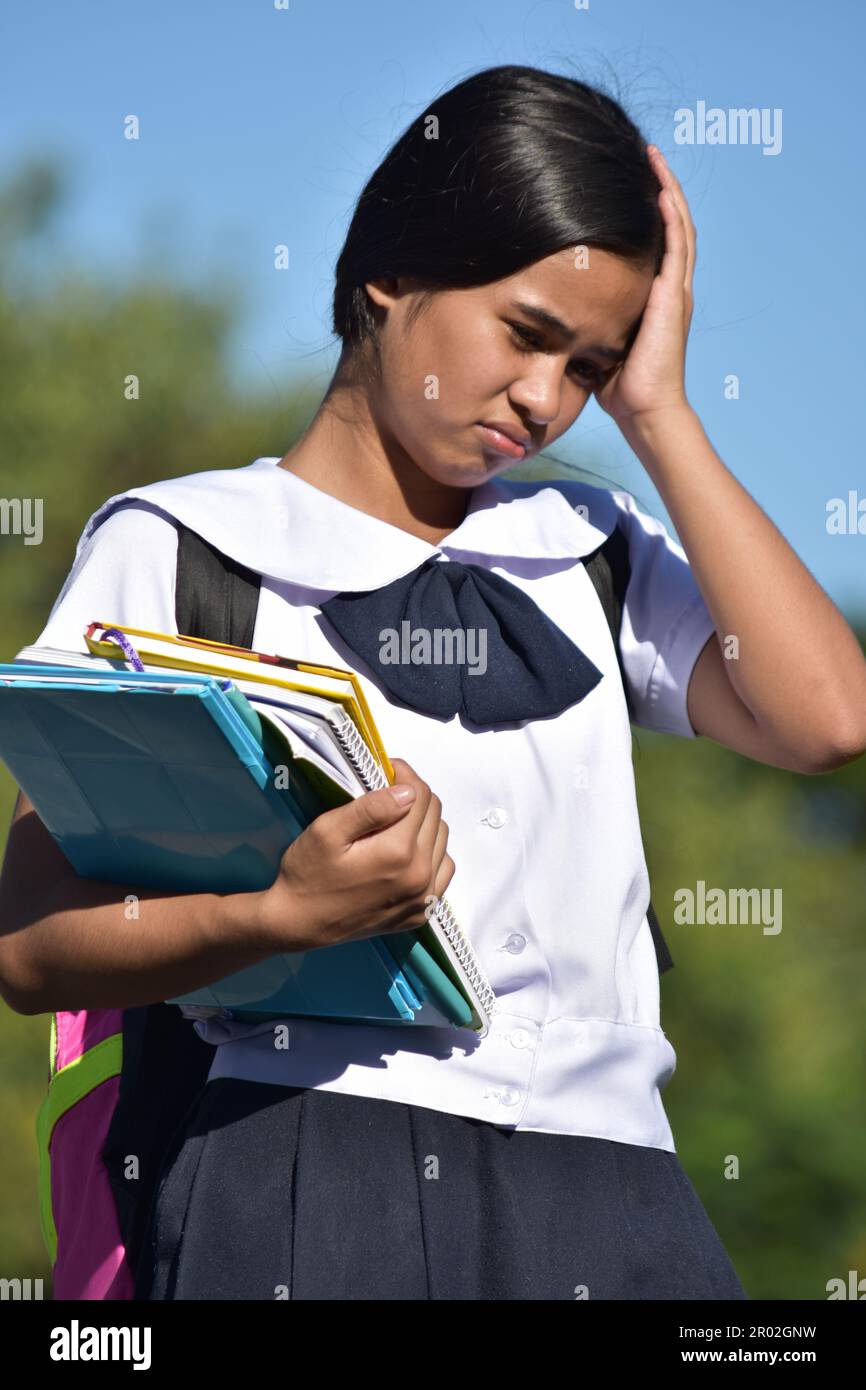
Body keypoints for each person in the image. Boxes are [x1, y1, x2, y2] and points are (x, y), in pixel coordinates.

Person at [2, 64, 865, 1302]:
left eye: (589, 364)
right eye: (525, 333)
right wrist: (277, 919)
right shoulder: (183, 546)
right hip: (303, 1169)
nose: (546, 397)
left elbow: (826, 719)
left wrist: (659, 408)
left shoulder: (588, 543)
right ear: (388, 272)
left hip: (615, 1186)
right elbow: (30, 938)